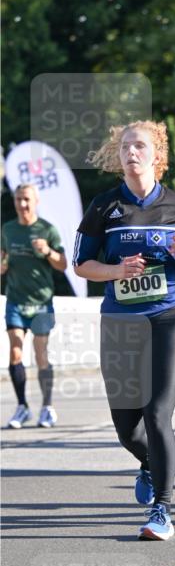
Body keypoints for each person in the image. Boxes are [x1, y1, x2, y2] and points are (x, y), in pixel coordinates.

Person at [73, 121, 175, 540]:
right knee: (126, 427)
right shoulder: (103, 206)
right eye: (124, 146)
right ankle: (150, 463)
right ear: (118, 157)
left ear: (157, 155)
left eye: (140, 145)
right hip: (121, 321)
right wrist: (117, 270)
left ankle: (163, 510)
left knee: (157, 413)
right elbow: (81, 264)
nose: (131, 152)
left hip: (171, 315)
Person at [2, 184, 67, 429]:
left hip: (41, 301)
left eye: (27, 199)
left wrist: (48, 251)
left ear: (36, 201)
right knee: (15, 351)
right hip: (16, 301)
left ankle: (47, 407)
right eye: (19, 199)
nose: (22, 204)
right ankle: (22, 407)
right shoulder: (7, 229)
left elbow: (63, 265)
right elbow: (2, 258)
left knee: (41, 354)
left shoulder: (47, 229)